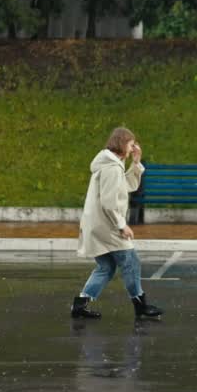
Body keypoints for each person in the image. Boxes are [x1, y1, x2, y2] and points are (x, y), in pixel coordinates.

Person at [71, 127, 163, 320]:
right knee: (130, 262)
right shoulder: (111, 168)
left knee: (106, 267)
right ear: (122, 144)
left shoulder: (112, 165)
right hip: (108, 225)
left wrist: (136, 162)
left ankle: (80, 304)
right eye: (131, 145)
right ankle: (140, 305)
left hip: (98, 224)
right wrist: (122, 225)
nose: (133, 148)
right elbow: (108, 202)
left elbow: (128, 185)